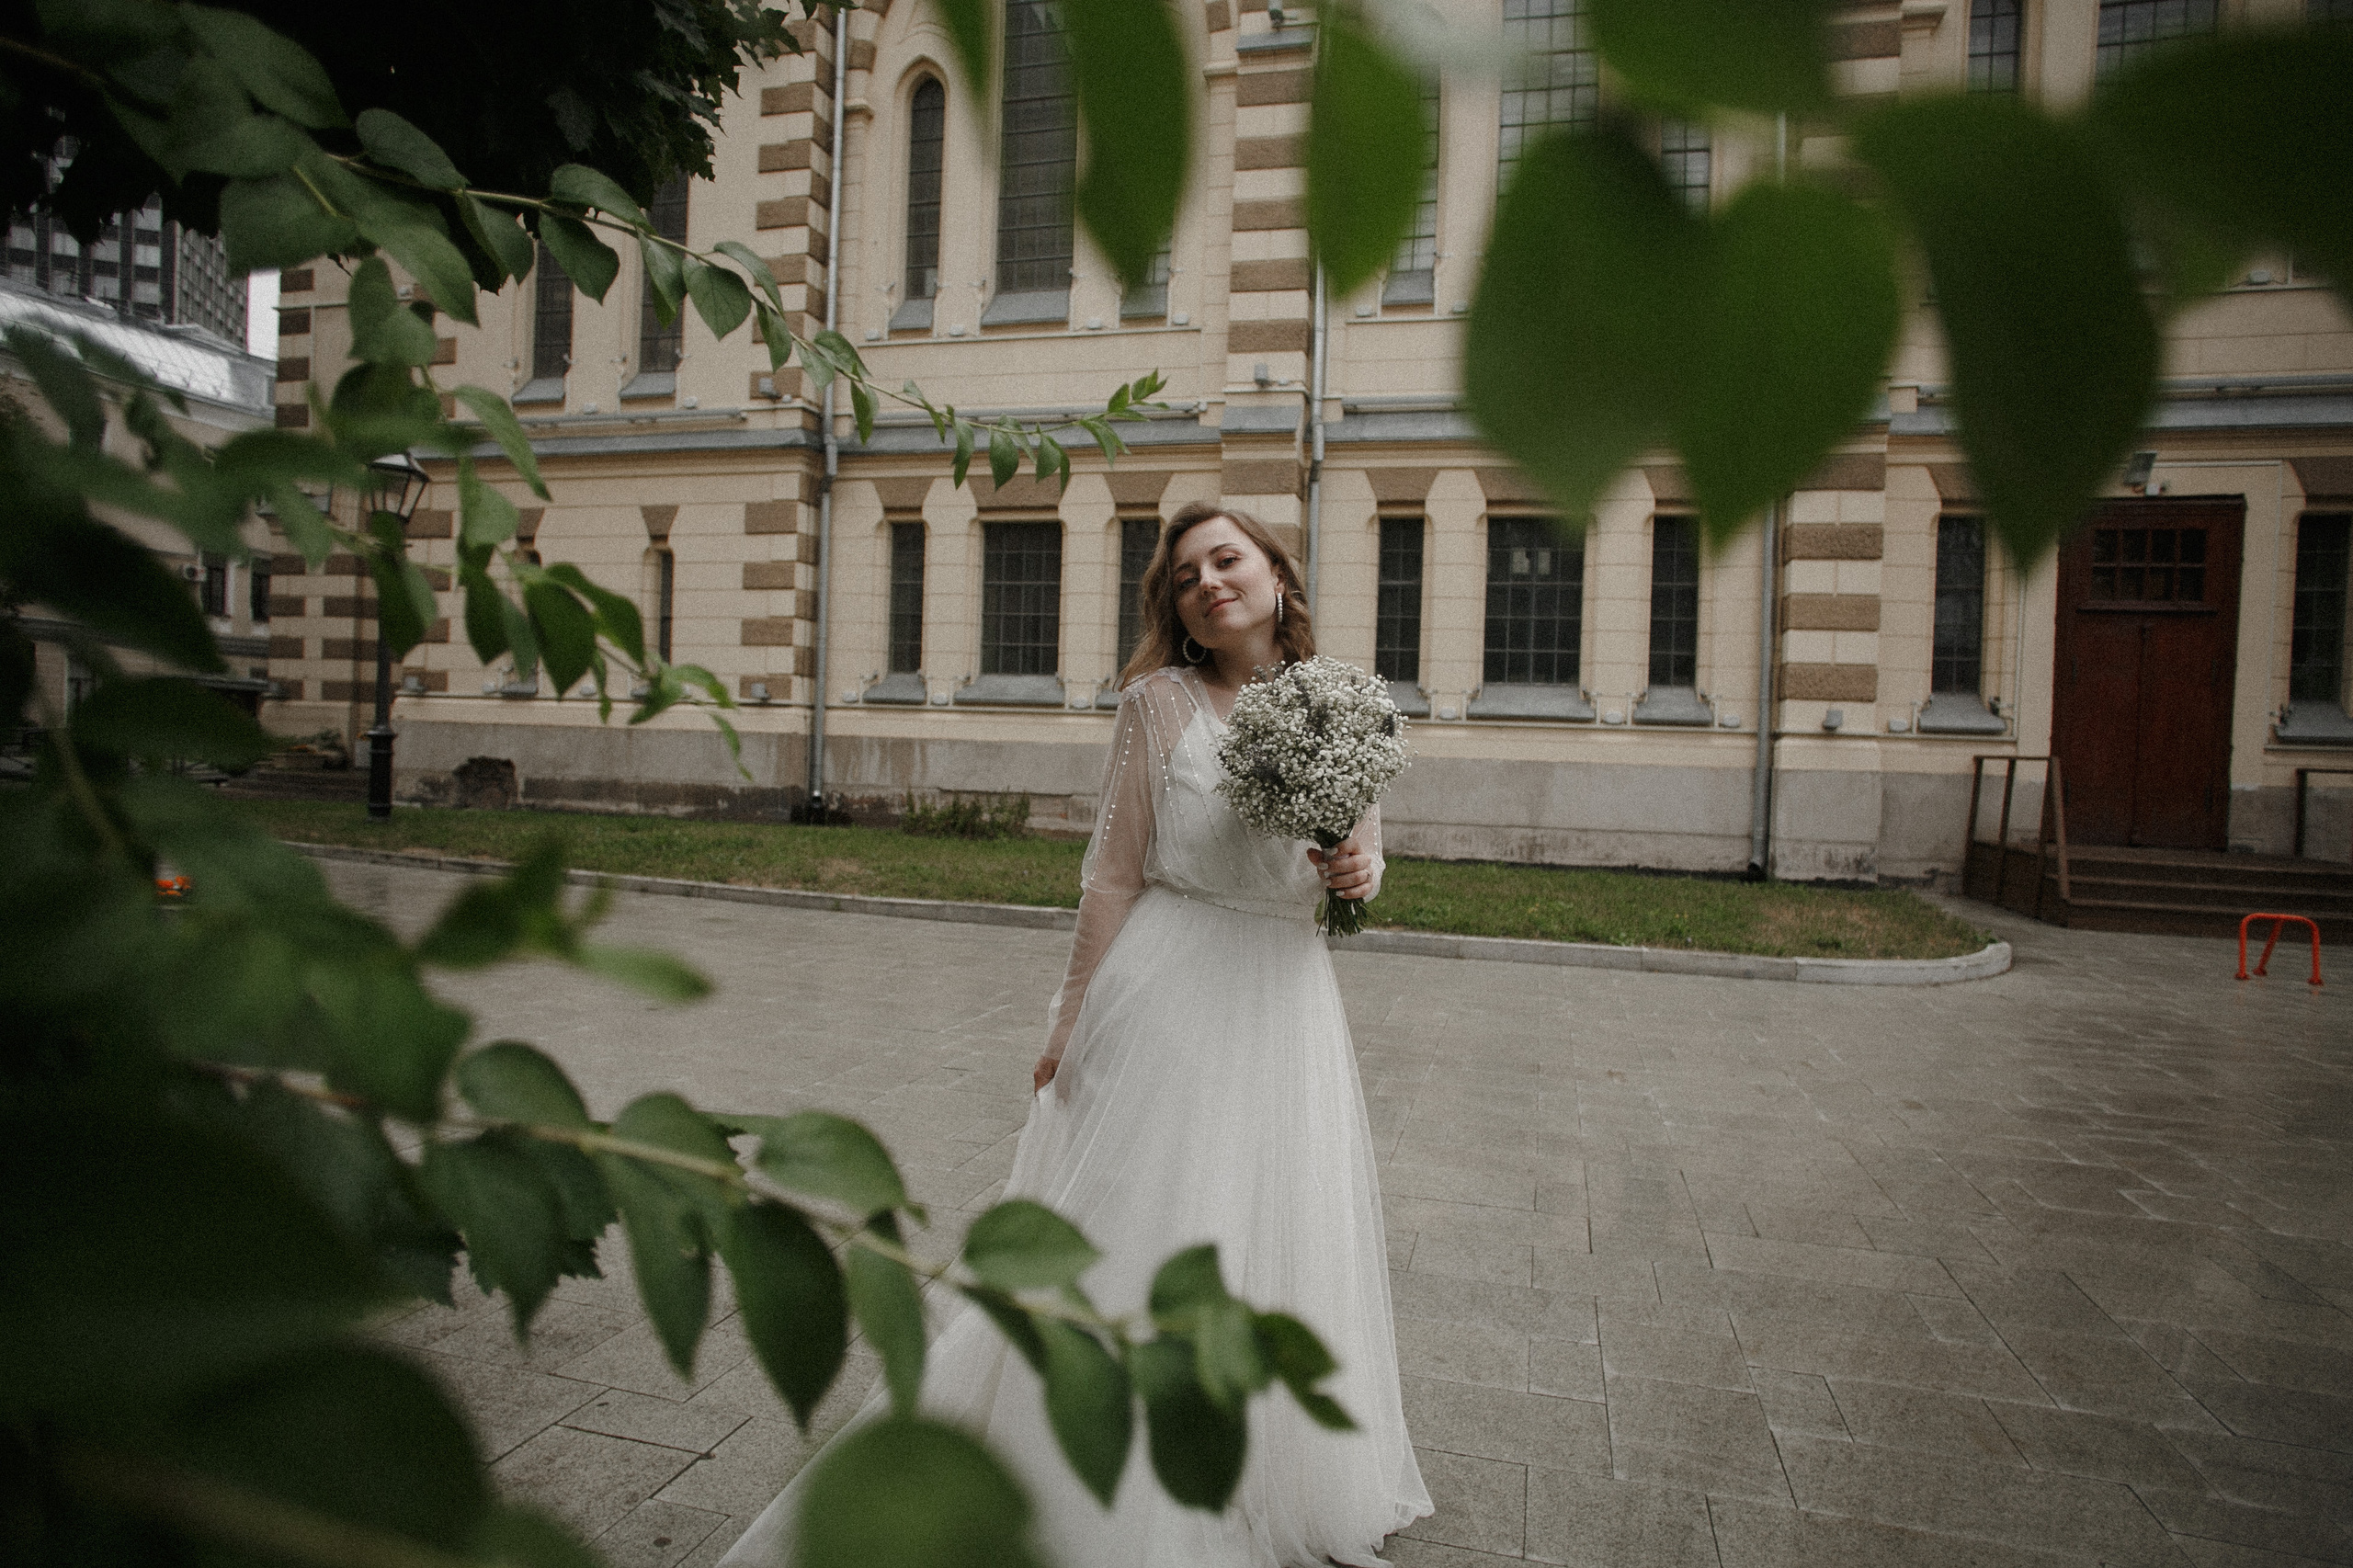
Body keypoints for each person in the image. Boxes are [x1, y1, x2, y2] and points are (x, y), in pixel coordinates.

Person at [721, 502, 1429, 1568]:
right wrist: (1070, 1014)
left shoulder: (1344, 705)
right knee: (1149, 1233)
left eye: (1225, 558)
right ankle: (1101, 1485)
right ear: (1179, 615)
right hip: (1172, 991)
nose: (1206, 582)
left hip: (1287, 1006)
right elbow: (1112, 873)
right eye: (1185, 575)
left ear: (1277, 576)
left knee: (1274, 1229)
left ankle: (1253, 1472)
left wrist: (1360, 874)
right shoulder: (1157, 704)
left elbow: (1354, 862)